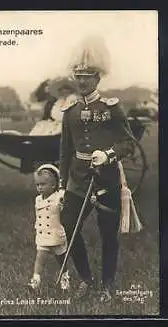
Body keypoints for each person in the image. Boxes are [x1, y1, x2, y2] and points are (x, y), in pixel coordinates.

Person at [58, 35, 136, 302]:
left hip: (108, 180)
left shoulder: (111, 109)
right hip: (78, 181)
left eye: (87, 76)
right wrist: (61, 185)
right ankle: (86, 279)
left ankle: (107, 284)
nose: (82, 81)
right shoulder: (69, 112)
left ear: (98, 78)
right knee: (68, 226)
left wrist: (109, 154)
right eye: (78, 76)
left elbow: (129, 143)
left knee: (107, 234)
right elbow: (65, 151)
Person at [28, 164, 70, 291]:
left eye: (43, 184)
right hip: (43, 233)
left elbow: (64, 205)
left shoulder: (59, 197)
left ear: (53, 185)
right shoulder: (38, 199)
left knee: (61, 258)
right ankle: (35, 280)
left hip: (56, 233)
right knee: (40, 257)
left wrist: (63, 196)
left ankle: (65, 277)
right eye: (37, 184)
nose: (39, 187)